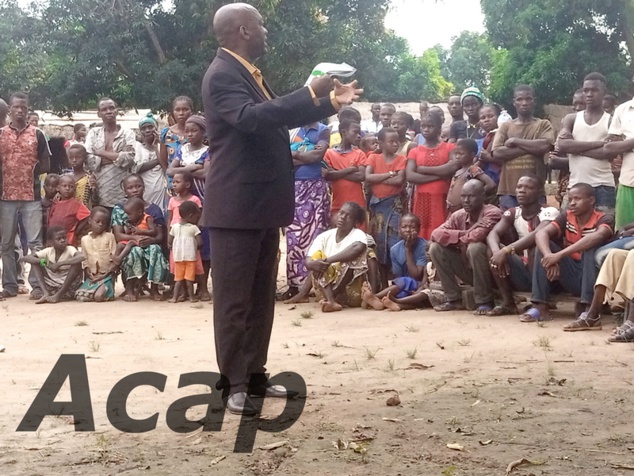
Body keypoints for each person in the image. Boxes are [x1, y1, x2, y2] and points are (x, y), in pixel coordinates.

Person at [202, 2, 361, 415]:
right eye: (260, 24)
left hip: (258, 204)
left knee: (259, 298)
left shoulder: (245, 72)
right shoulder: (222, 75)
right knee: (234, 301)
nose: (266, 30)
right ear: (242, 30)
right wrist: (311, 92)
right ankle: (232, 384)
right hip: (236, 206)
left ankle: (254, 376)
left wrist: (328, 102)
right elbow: (254, 119)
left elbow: (273, 116)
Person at [522, 183, 614, 322]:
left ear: (591, 200)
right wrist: (549, 256)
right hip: (571, 274)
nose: (572, 203)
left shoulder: (604, 219)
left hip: (595, 277)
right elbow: (541, 233)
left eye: (577, 199)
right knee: (541, 248)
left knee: (589, 247)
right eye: (570, 199)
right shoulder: (567, 216)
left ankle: (588, 308)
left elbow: (597, 236)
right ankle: (540, 306)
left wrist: (559, 255)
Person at [0, 91, 51, 299]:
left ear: (28, 109)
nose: (20, 110)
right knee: (6, 244)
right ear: (9, 110)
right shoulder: (1, 134)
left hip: (32, 197)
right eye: (16, 107)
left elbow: (46, 163)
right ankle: (10, 285)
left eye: (24, 107)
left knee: (36, 244)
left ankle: (38, 285)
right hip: (5, 197)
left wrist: (27, 174)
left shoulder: (38, 134)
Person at [486, 175, 559, 316]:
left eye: (528, 187)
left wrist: (507, 250)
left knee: (535, 247)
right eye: (519, 187)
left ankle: (539, 304)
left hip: (549, 273)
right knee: (492, 250)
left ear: (539, 192)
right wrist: (497, 252)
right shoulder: (514, 212)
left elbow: (537, 234)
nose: (522, 191)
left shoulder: (549, 212)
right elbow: (493, 233)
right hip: (525, 270)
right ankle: (508, 303)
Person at [429, 179, 502, 314]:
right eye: (463, 196)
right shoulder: (458, 215)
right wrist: (464, 233)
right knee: (435, 248)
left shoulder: (493, 212)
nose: (466, 200)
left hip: (497, 272)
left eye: (471, 196)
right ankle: (453, 299)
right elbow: (435, 234)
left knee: (475, 247)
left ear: (483, 197)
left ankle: (484, 301)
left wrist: (453, 237)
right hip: (471, 271)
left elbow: (476, 236)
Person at [282, 121, 331, 300]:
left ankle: (315, 285)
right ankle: (295, 285)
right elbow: (283, 157)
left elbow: (316, 157)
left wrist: (294, 153)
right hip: (294, 189)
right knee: (293, 238)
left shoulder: (323, 130)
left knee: (315, 236)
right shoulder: (291, 130)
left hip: (315, 189)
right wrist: (305, 154)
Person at [558, 73, 616, 213]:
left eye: (594, 90)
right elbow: (564, 145)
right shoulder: (571, 119)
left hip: (603, 187)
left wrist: (576, 148)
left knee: (603, 229)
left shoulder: (611, 120)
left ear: (604, 92)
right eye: (586, 90)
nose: (589, 94)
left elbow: (609, 152)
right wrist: (598, 144)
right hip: (575, 185)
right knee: (567, 229)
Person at [492, 85, 555, 210]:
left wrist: (515, 141)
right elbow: (497, 153)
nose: (524, 103)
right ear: (514, 102)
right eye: (520, 99)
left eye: (528, 99)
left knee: (536, 226)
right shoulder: (506, 126)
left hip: (536, 191)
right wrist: (531, 146)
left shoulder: (543, 124)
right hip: (508, 191)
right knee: (508, 228)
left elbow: (545, 146)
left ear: (534, 101)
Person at [111, 175, 168, 302]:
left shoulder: (153, 209)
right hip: (131, 244)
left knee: (155, 250)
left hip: (150, 243)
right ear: (125, 191)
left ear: (144, 187)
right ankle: (130, 288)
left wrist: (151, 240)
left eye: (138, 186)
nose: (135, 190)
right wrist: (136, 238)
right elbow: (119, 235)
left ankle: (154, 288)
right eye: (130, 188)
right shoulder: (120, 209)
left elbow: (159, 236)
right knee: (134, 251)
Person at [306, 202, 368, 312]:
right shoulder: (324, 236)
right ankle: (331, 301)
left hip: (350, 293)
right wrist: (316, 264)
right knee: (317, 259)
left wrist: (328, 260)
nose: (343, 217)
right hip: (325, 292)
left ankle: (332, 299)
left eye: (348, 216)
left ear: (356, 223)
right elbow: (308, 261)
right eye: (341, 213)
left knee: (354, 256)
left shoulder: (358, 234)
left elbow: (358, 248)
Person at [406, 112, 457, 239]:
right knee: (422, 233)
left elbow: (453, 167)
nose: (426, 129)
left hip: (443, 199)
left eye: (430, 126)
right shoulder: (415, 151)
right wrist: (440, 176)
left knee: (442, 230)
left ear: (439, 128)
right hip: (422, 200)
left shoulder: (450, 147)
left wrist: (423, 169)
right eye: (423, 126)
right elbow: (410, 176)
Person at [361, 213, 428, 311]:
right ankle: (390, 304)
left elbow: (415, 275)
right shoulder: (394, 249)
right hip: (403, 286)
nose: (408, 230)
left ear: (419, 229)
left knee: (409, 285)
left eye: (412, 227)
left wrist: (407, 249)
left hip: (420, 285)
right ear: (399, 230)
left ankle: (375, 297)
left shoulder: (424, 246)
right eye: (404, 227)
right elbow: (398, 277)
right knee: (401, 290)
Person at [365, 127, 407, 280]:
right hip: (377, 207)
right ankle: (381, 280)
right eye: (391, 141)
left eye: (397, 141)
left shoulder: (401, 159)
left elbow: (399, 180)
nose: (395, 144)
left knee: (394, 241)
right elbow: (368, 178)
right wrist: (389, 174)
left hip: (394, 206)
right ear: (381, 143)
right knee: (378, 242)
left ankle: (397, 279)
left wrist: (379, 177)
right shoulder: (373, 158)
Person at [84, 98, 136, 210]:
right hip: (99, 190)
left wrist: (100, 153)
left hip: (123, 191)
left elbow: (129, 159)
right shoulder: (93, 133)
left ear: (116, 111)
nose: (108, 111)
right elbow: (89, 160)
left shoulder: (127, 133)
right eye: (104, 109)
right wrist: (117, 156)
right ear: (99, 114)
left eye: (111, 108)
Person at [166, 171, 207, 300]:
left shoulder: (194, 199)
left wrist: (196, 230)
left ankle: (203, 289)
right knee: (178, 264)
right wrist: (169, 235)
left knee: (197, 264)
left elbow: (199, 215)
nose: (174, 185)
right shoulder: (172, 200)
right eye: (173, 182)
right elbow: (170, 219)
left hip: (190, 236)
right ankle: (183, 292)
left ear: (188, 184)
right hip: (176, 236)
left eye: (178, 182)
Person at [22, 226, 84, 304]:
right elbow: (26, 258)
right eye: (58, 239)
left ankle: (58, 295)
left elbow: (82, 256)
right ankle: (45, 293)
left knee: (76, 263)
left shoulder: (70, 249)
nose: (62, 241)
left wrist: (60, 264)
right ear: (50, 242)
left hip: (69, 286)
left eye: (64, 238)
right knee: (35, 262)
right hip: (52, 285)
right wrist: (45, 262)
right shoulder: (48, 251)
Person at [324, 120, 366, 220]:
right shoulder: (329, 153)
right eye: (355, 132)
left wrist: (336, 172)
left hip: (357, 204)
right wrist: (349, 169)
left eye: (359, 133)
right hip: (338, 204)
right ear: (344, 132)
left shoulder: (359, 153)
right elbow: (328, 175)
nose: (359, 136)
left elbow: (361, 176)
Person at [604, 90, 634, 231]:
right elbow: (610, 147)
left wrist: (627, 144)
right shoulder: (623, 110)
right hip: (628, 182)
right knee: (624, 234)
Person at [75, 207, 117, 302]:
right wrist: (87, 271)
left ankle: (107, 290)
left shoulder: (109, 237)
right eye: (97, 221)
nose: (100, 224)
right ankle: (95, 291)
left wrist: (105, 275)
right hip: (93, 276)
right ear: (90, 221)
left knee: (98, 297)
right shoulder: (84, 239)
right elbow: (84, 259)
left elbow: (114, 259)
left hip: (106, 276)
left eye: (104, 223)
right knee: (80, 297)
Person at [446, 138, 496, 214]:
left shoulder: (472, 169)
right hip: (452, 212)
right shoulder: (457, 171)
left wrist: (474, 196)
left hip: (465, 211)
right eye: (456, 154)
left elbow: (491, 184)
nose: (457, 157)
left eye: (461, 154)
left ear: (472, 155)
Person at [168, 115, 209, 200]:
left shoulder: (207, 151)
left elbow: (205, 173)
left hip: (201, 194)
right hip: (183, 195)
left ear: (203, 132)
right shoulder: (182, 150)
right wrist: (192, 167)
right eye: (186, 131)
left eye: (194, 131)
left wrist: (181, 171)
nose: (190, 134)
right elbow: (170, 171)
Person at [168, 200, 202, 303]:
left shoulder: (174, 227)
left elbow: (170, 242)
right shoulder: (194, 228)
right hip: (190, 258)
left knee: (178, 279)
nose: (197, 219)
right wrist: (196, 247)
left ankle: (174, 298)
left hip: (177, 258)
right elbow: (200, 242)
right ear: (191, 216)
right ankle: (191, 297)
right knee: (189, 279)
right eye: (197, 217)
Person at [160, 96, 194, 193]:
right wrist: (170, 179)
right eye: (177, 110)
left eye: (185, 109)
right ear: (173, 112)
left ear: (191, 111)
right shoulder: (167, 133)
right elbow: (164, 161)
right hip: (173, 183)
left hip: (194, 182)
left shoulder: (198, 133)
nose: (181, 113)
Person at [133, 113, 166, 210]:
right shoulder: (137, 147)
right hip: (144, 190)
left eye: (150, 127)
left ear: (156, 128)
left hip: (160, 189)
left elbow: (165, 168)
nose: (147, 130)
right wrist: (158, 160)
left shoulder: (162, 147)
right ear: (140, 131)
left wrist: (156, 147)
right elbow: (137, 168)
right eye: (143, 128)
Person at [113, 197, 158, 265]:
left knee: (130, 243)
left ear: (139, 212)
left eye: (129, 214)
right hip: (136, 239)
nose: (128, 217)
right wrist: (129, 230)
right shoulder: (134, 220)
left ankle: (119, 258)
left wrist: (141, 231)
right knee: (120, 245)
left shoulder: (147, 218)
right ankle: (115, 262)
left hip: (143, 239)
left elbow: (154, 231)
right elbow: (131, 232)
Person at [48, 175, 91, 246]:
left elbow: (87, 216)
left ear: (74, 189)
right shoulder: (55, 202)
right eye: (64, 186)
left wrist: (77, 230)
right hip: (53, 238)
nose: (67, 188)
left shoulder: (76, 204)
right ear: (58, 188)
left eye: (71, 187)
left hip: (67, 239)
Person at [477, 103, 503, 185]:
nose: (486, 120)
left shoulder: (503, 137)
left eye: (491, 116)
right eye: (483, 118)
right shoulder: (481, 141)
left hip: (500, 180)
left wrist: (489, 158)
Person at [66, 144, 93, 208]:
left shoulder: (89, 178)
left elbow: (94, 199)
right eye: (71, 157)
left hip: (83, 212)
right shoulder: (65, 177)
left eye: (78, 157)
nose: (74, 160)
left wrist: (94, 189)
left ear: (84, 158)